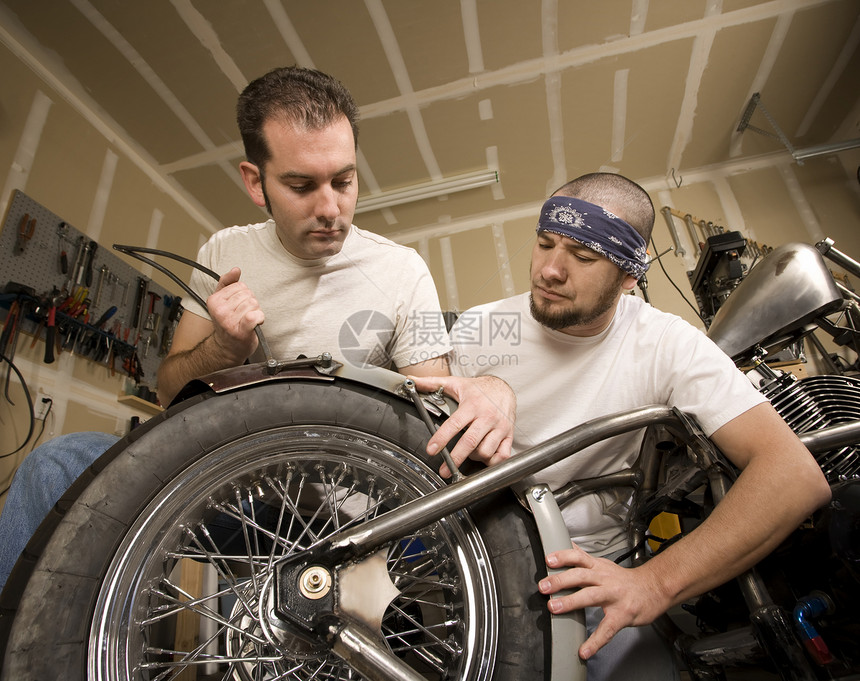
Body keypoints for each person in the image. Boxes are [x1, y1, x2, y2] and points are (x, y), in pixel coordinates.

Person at [0, 66, 514, 592]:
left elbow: (432, 425)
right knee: (54, 466)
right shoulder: (223, 253)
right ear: (255, 181)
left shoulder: (405, 271)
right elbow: (168, 392)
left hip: (346, 516)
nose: (330, 208)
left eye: (344, 180)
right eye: (301, 186)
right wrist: (223, 347)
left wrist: (488, 394)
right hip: (233, 489)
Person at [412, 172, 832, 679]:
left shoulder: (665, 344)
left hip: (596, 574)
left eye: (583, 257)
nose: (549, 269)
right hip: (480, 555)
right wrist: (483, 385)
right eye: (545, 243)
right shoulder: (484, 328)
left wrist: (654, 584)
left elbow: (791, 476)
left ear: (631, 275)